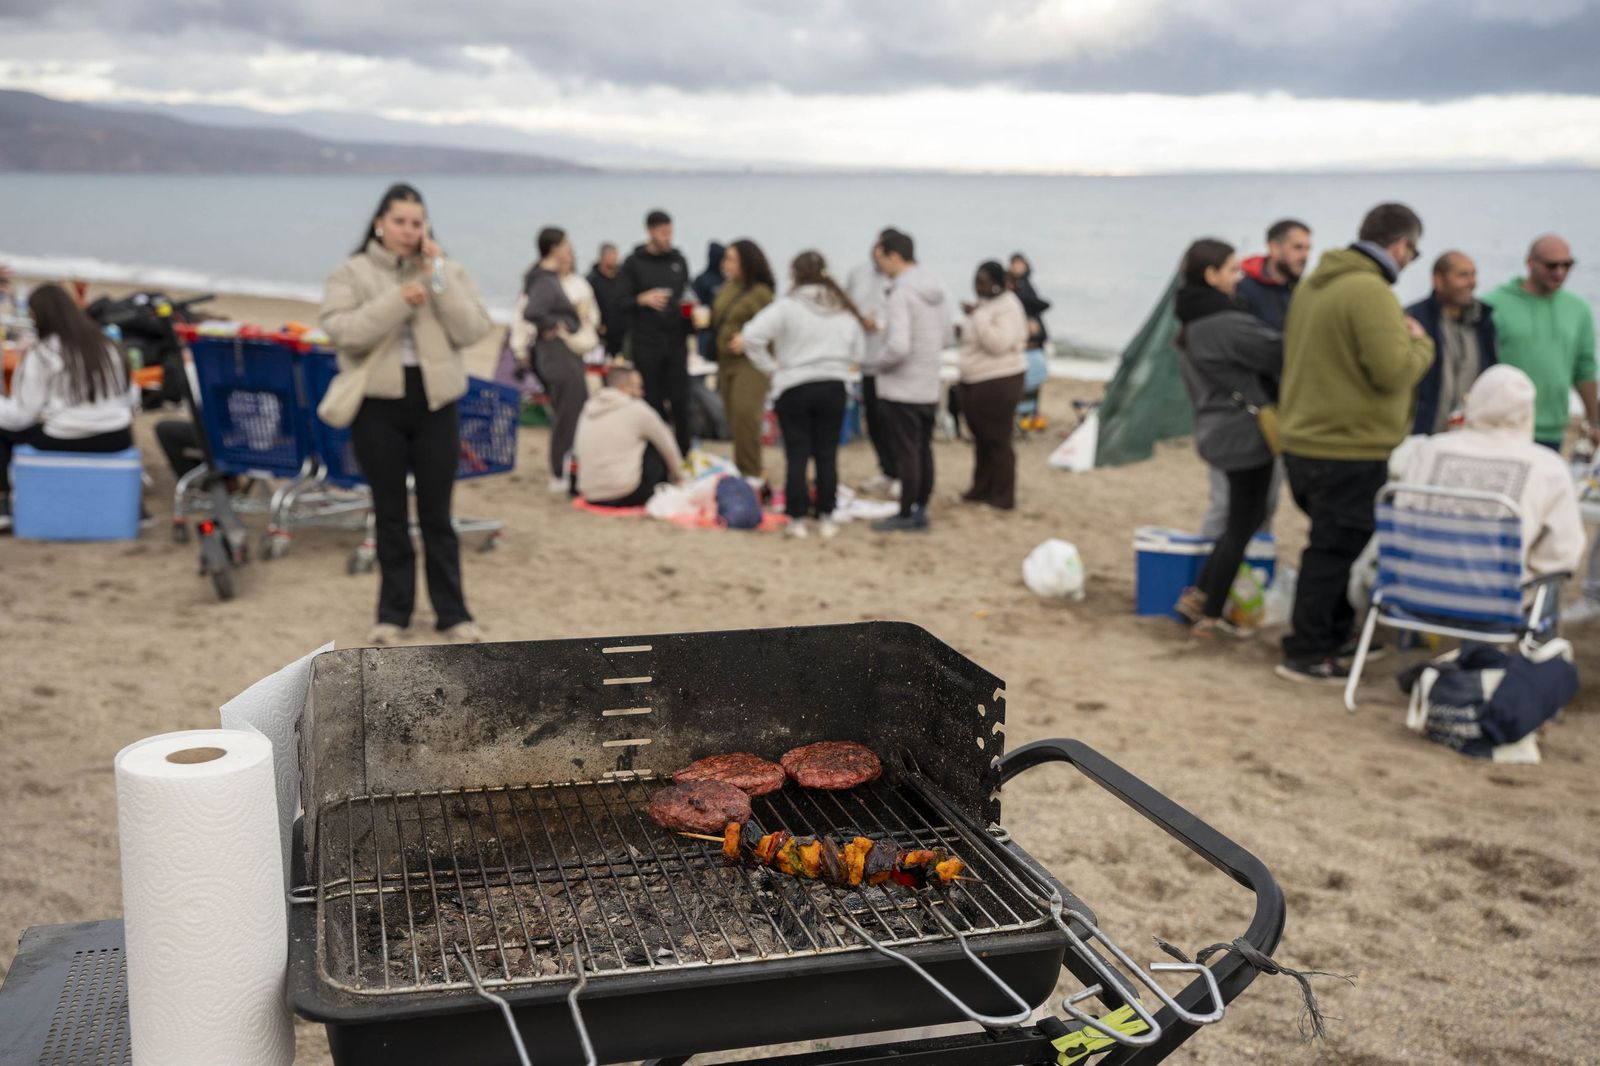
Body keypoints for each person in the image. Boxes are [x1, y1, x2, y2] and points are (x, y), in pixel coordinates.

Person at [319, 182, 493, 645]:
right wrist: (399, 299)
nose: (408, 230)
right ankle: (392, 615)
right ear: (380, 222)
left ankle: (452, 614)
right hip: (378, 406)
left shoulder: (446, 270)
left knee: (439, 515)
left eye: (417, 222)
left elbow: (473, 327)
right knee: (390, 513)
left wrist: (438, 278)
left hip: (436, 403)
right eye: (399, 221)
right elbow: (343, 332)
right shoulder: (351, 272)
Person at [1275, 202, 1434, 683]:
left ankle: (1333, 633)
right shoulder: (1371, 291)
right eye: (1414, 251)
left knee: (1333, 544)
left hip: (1305, 439)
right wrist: (1422, 343)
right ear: (1401, 245)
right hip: (1347, 447)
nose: (1410, 261)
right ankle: (1305, 651)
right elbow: (1392, 372)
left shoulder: (1315, 285)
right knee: (1333, 548)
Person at [1169, 240, 1284, 637]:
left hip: (1217, 429)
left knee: (1240, 520)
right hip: (1243, 434)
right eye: (1233, 270)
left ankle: (1199, 597)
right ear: (1211, 274)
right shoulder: (1223, 322)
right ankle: (1211, 614)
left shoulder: (1193, 318)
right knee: (1242, 522)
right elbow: (1278, 352)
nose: (1239, 278)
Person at [1400, 364, 1585, 592]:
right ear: (1528, 410)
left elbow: (1403, 522)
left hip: (1418, 593)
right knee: (1548, 585)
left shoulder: (1430, 450)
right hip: (1500, 604)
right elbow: (1562, 554)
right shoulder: (1547, 466)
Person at [741, 250, 866, 539]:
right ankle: (826, 516)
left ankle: (796, 518)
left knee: (796, 455)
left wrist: (772, 369)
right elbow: (859, 350)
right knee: (827, 455)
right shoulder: (842, 308)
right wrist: (838, 363)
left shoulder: (787, 307)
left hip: (794, 385)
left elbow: (751, 336)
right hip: (833, 385)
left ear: (795, 274)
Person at [0, 283, 135, 532]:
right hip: (119, 436)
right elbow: (131, 398)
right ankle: (138, 508)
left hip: (71, 436)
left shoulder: (43, 352)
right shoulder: (107, 345)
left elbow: (20, 416)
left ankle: (3, 505)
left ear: (39, 316)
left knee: (5, 431)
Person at [1482, 235, 1597, 452]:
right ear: (1530, 262)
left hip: (1553, 429)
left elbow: (1585, 368)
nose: (1560, 272)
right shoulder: (1494, 304)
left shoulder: (1578, 309)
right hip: (1503, 426)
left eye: (1567, 265)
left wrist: (1594, 421)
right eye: (1551, 265)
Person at [869, 228, 949, 533]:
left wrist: (880, 362)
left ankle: (905, 513)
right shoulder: (937, 289)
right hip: (928, 381)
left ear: (894, 256)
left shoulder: (902, 293)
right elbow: (945, 336)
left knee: (906, 453)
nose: (880, 267)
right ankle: (920, 509)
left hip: (901, 385)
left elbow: (899, 346)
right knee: (923, 449)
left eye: (881, 259)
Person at [616, 210, 693, 453]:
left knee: (681, 401)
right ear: (649, 231)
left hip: (676, 342)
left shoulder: (679, 261)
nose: (668, 237)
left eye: (670, 232)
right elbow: (620, 302)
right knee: (652, 401)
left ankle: (684, 452)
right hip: (646, 343)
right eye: (663, 233)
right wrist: (642, 299)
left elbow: (686, 295)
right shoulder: (633, 263)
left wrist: (691, 313)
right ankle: (655, 453)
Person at [957, 261, 1028, 510]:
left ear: (997, 283)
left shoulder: (1008, 306)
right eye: (976, 280)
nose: (977, 286)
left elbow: (997, 343)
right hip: (974, 379)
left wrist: (977, 316)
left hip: (999, 380)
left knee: (998, 440)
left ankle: (1003, 496)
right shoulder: (985, 306)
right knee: (981, 439)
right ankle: (981, 488)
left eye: (983, 281)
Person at [521, 227, 586, 492]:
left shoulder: (544, 278)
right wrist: (556, 323)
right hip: (557, 356)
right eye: (565, 244)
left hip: (558, 355)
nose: (569, 249)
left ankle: (563, 469)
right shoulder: (545, 281)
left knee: (568, 411)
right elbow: (532, 311)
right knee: (567, 413)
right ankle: (559, 471)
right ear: (554, 247)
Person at [1408, 251, 1498, 435]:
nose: (1472, 283)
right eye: (1463, 275)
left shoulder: (1483, 322)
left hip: (1470, 436)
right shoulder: (1415, 319)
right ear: (1438, 280)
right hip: (1422, 435)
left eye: (1474, 274)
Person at [709, 239, 776, 481]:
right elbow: (722, 318)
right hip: (725, 361)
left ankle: (752, 472)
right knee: (734, 418)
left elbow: (771, 328)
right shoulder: (728, 287)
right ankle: (743, 468)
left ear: (746, 262)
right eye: (725, 258)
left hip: (751, 362)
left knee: (746, 414)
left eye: (731, 259)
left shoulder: (761, 293)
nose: (725, 263)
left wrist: (747, 339)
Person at [573, 365, 684, 507]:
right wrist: (679, 479)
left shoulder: (588, 408)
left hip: (590, 492)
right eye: (637, 387)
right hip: (625, 493)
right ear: (622, 387)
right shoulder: (637, 409)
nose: (641, 392)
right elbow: (668, 446)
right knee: (655, 446)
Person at [846, 235, 898, 496]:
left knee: (893, 420)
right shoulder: (858, 274)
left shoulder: (898, 279)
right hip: (865, 358)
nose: (876, 252)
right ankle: (887, 470)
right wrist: (857, 319)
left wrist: (880, 325)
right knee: (874, 420)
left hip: (890, 361)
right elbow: (846, 305)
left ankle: (899, 472)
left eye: (882, 248)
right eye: (875, 246)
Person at [1236, 219, 1312, 332]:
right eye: (1298, 247)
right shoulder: (1243, 291)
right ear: (1274, 248)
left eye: (1308, 249)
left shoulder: (1304, 292)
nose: (1305, 256)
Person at [586, 243, 626, 358]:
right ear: (602, 257)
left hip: (621, 331)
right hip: (601, 332)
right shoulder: (592, 280)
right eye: (611, 255)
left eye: (616, 255)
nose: (615, 258)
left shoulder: (622, 278)